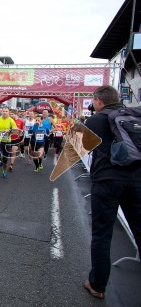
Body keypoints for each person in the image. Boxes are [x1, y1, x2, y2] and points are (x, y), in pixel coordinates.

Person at [80, 85, 141, 299]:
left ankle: (97, 285)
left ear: (98, 101)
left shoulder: (96, 120)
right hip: (136, 180)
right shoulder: (135, 116)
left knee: (102, 234)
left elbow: (81, 148)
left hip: (107, 181)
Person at [0, 106, 17, 179]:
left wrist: (9, 130)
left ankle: (4, 171)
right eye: (3, 111)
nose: (4, 112)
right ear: (1, 112)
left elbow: (15, 130)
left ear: (9, 112)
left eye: (6, 111)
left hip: (7, 142)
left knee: (5, 160)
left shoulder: (11, 120)